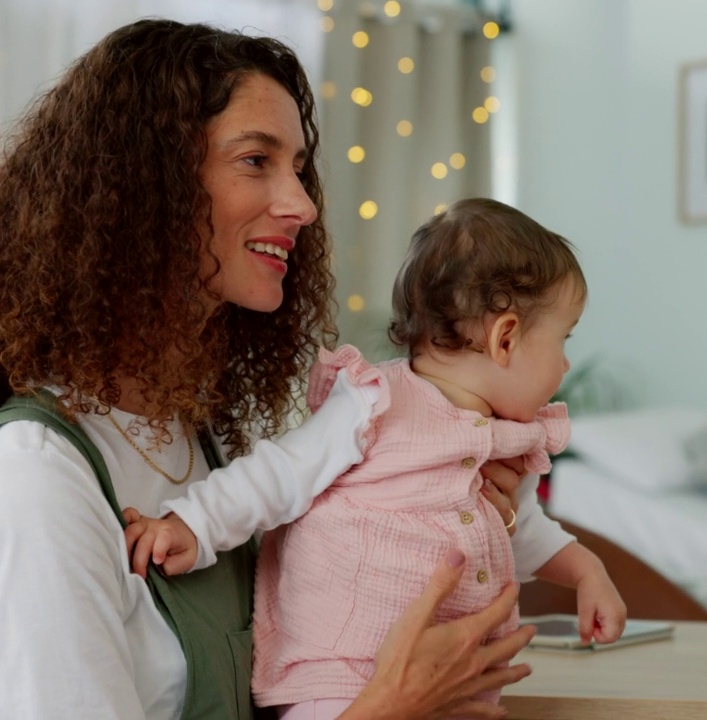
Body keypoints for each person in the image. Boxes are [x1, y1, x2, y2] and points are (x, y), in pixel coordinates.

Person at [0, 19, 535, 719]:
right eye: (256, 160)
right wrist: (387, 707)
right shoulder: (37, 473)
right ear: (143, 185)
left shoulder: (202, 435)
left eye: (299, 168)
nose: (304, 206)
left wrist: (439, 514)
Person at [124, 198, 628, 719]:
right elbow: (280, 474)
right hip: (340, 677)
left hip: (449, 684)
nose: (565, 362)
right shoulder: (374, 403)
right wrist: (194, 524)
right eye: (562, 339)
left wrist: (587, 572)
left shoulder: (506, 442)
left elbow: (525, 532)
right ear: (505, 338)